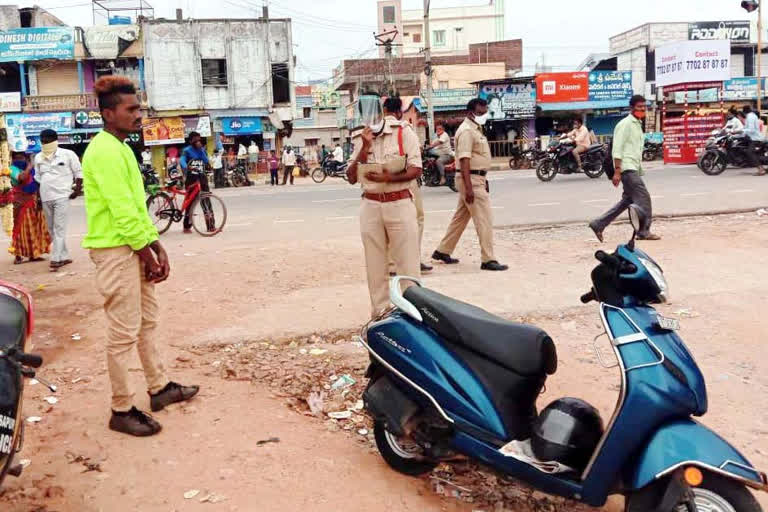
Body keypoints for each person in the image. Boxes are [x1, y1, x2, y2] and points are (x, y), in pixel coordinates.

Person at [82, 76, 198, 437]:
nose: (139, 115)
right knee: (122, 333)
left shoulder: (122, 148)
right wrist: (146, 252)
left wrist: (154, 244)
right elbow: (121, 211)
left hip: (133, 245)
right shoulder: (102, 151)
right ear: (108, 113)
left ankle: (159, 387)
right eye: (130, 109)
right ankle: (121, 408)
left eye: (139, 108)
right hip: (116, 250)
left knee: (147, 321)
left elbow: (135, 207)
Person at [348, 96, 423, 318]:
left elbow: (416, 169)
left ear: (382, 111)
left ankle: (413, 314)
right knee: (375, 265)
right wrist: (364, 148)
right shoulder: (360, 137)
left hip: (399, 202)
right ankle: (380, 314)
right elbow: (351, 177)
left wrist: (388, 177)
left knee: (408, 264)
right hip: (371, 205)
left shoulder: (403, 132)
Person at [432, 98, 508, 271]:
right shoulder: (467, 131)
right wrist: (469, 188)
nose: (484, 115)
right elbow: (464, 160)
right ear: (470, 112)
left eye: (485, 112)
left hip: (475, 178)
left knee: (460, 218)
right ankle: (488, 259)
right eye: (480, 112)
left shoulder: (475, 129)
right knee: (484, 219)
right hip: (470, 180)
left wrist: (481, 180)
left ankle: (442, 251)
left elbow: (474, 159)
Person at [590, 94, 660, 242]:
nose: (642, 109)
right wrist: (617, 171)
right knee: (644, 198)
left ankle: (598, 224)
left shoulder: (637, 124)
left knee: (628, 201)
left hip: (632, 167)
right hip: (626, 168)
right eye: (639, 107)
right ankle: (644, 231)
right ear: (632, 108)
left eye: (644, 107)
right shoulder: (625, 124)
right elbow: (618, 148)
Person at [33, 129, 82, 272]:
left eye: (47, 140)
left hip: (62, 196)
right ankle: (64, 256)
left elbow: (78, 173)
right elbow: (37, 178)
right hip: (45, 196)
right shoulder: (38, 157)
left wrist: (77, 190)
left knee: (59, 228)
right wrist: (37, 197)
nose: (44, 142)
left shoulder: (68, 154)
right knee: (51, 229)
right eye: (42, 140)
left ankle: (55, 259)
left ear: (55, 140)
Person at [9, 152, 50, 264]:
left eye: (21, 157)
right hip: (20, 202)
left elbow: (37, 182)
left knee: (36, 227)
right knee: (20, 228)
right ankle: (18, 254)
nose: (19, 160)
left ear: (25, 158)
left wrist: (40, 199)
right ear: (12, 159)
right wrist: (29, 166)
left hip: (34, 200)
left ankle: (34, 254)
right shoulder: (11, 168)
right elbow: (22, 178)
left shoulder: (32, 169)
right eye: (16, 158)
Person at [180, 131, 215, 233]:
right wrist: (186, 167)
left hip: (202, 178)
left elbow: (205, 161)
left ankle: (211, 226)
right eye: (195, 140)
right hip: (191, 179)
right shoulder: (186, 150)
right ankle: (187, 226)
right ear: (191, 141)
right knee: (190, 203)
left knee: (206, 202)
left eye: (199, 139)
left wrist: (201, 150)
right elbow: (182, 160)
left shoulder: (201, 150)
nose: (198, 142)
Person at [743, 105, 766, 176]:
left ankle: (761, 170)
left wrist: (741, 130)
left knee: (750, 152)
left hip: (755, 138)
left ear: (744, 111)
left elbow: (751, 130)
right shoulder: (752, 116)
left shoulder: (750, 117)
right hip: (755, 138)